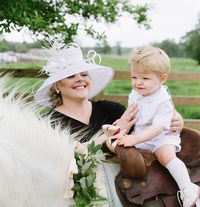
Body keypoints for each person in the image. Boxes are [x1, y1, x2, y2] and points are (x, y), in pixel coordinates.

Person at [34, 41, 183, 152]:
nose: (80, 79)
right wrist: (114, 132)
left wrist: (176, 121)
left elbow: (149, 126)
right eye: (71, 76)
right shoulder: (50, 124)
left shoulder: (111, 110)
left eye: (84, 74)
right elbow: (67, 155)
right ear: (56, 85)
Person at [116, 45, 200, 207]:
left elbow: (158, 128)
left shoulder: (162, 100)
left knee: (165, 156)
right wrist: (122, 127)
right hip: (141, 133)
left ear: (162, 79)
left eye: (145, 79)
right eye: (134, 77)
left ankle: (187, 187)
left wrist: (134, 138)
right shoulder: (135, 94)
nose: (138, 82)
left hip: (162, 136)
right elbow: (132, 115)